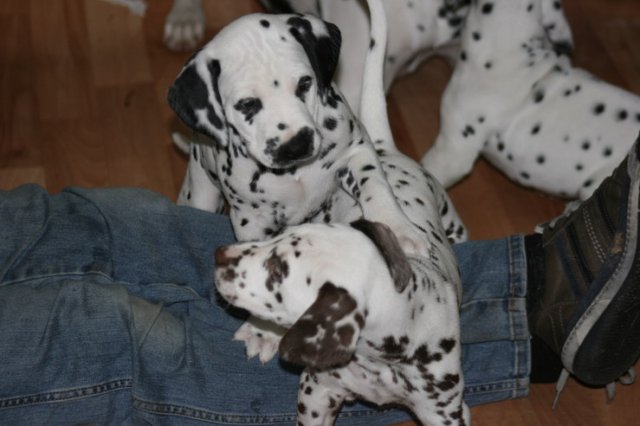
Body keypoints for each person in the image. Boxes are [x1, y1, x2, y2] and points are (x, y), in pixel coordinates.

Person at [0, 138, 638, 425]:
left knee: (68, 226)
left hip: (393, 285)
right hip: (381, 322)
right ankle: (535, 320)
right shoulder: (330, 341)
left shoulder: (337, 315)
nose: (231, 254)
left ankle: (529, 283)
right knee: (86, 336)